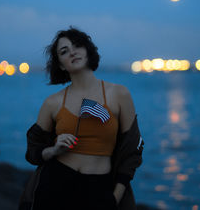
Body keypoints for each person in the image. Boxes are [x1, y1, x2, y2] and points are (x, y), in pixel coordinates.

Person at [19, 27, 144, 210]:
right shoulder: (52, 103)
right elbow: (34, 151)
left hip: (99, 187)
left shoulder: (119, 94)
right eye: (64, 51)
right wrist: (54, 150)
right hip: (56, 184)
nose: (72, 52)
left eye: (77, 45)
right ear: (61, 64)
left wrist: (114, 198)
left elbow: (132, 152)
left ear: (87, 50)